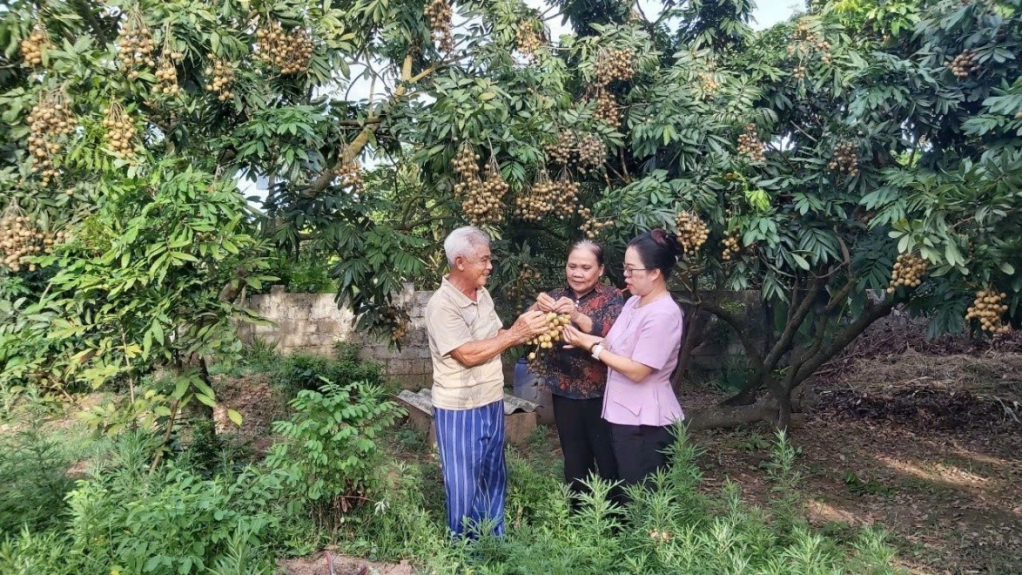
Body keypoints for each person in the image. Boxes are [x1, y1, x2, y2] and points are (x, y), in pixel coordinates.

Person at [425, 226, 549, 538]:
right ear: (460, 263)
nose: (490, 266)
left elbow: (498, 337)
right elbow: (466, 354)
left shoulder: (481, 294)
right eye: (484, 260)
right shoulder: (442, 305)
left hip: (491, 400)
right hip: (459, 407)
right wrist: (518, 334)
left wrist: (536, 310)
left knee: (493, 475)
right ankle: (463, 550)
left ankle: (492, 543)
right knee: (464, 482)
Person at [562, 228, 685, 491]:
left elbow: (638, 370)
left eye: (632, 270)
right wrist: (581, 339)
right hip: (623, 415)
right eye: (625, 269)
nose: (626, 276)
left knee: (644, 496)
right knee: (624, 491)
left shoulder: (663, 314)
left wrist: (589, 346)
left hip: (647, 422)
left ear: (654, 273)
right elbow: (612, 345)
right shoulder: (633, 304)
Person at [528, 240, 624, 505]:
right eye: (572, 266)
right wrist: (537, 307)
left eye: (585, 267)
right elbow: (525, 328)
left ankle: (614, 519)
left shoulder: (612, 297)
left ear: (600, 270)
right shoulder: (556, 295)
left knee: (607, 459)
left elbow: (616, 335)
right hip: (565, 391)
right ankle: (578, 516)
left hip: (602, 394)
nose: (577, 273)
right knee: (574, 458)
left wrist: (578, 315)